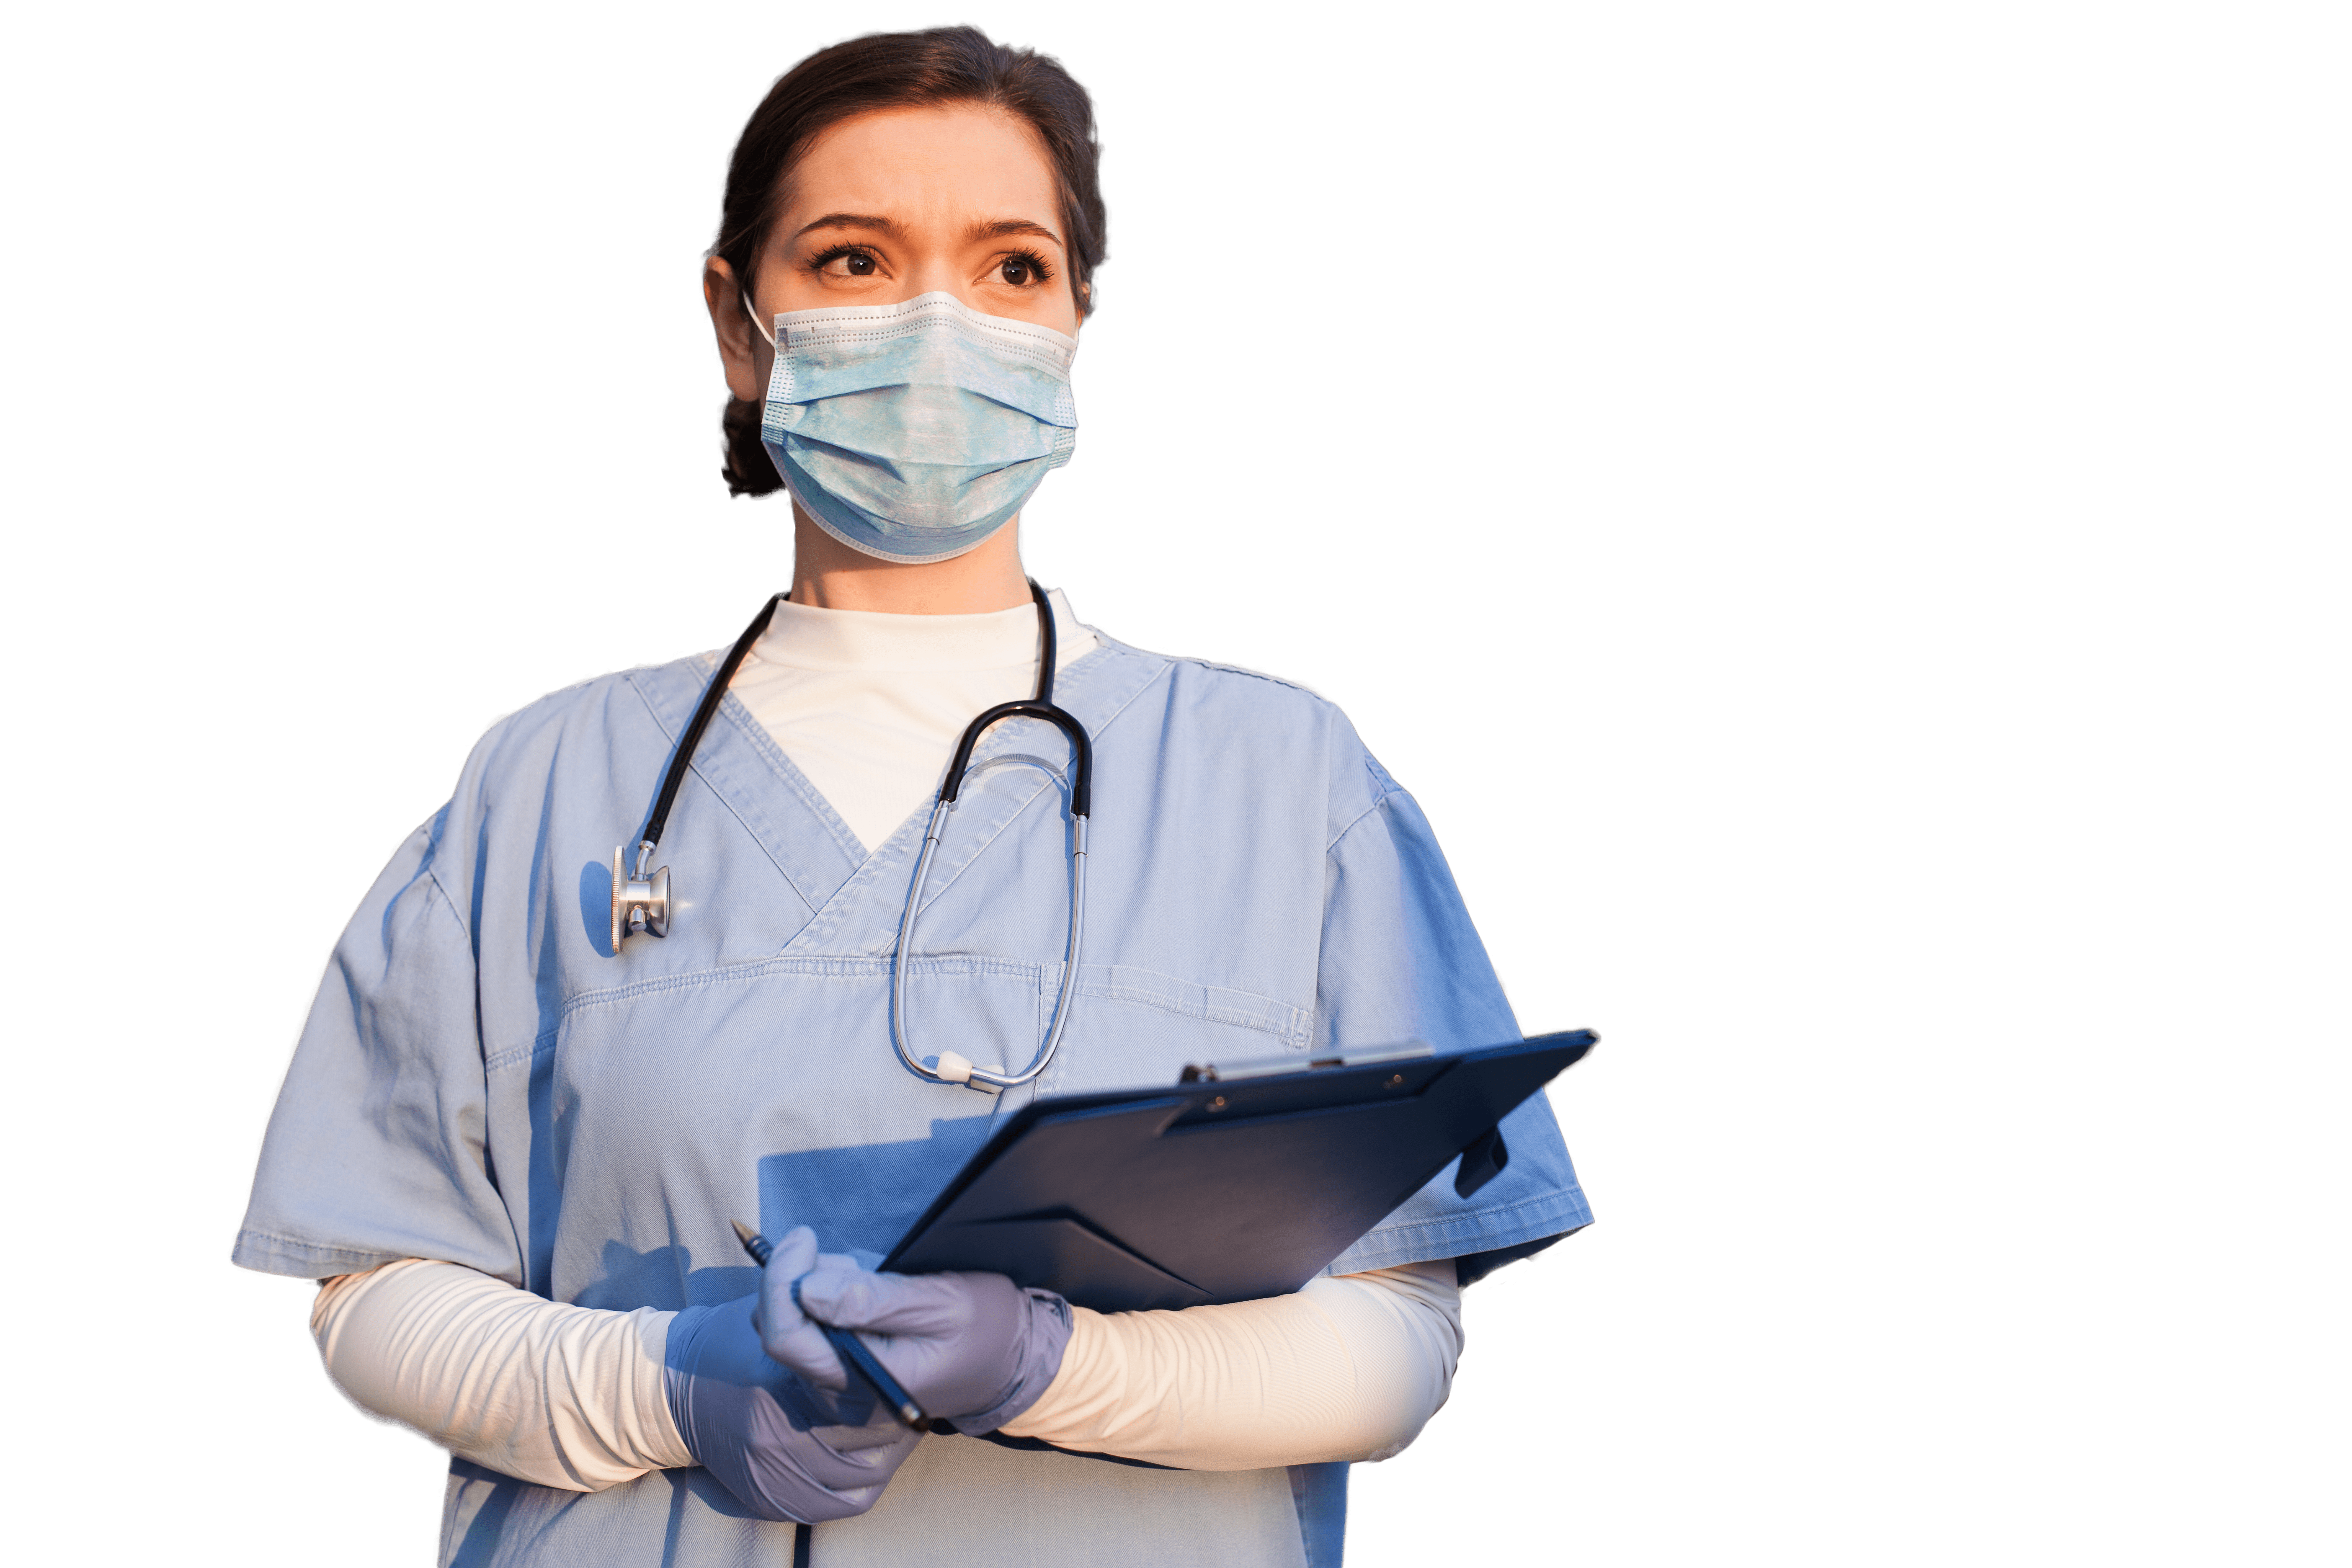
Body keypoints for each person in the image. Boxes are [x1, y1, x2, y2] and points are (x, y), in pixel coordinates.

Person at [235, 22, 1592, 1568]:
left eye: (1009, 268)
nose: (937, 323)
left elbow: (1395, 1343)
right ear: (743, 327)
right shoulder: (544, 785)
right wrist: (667, 1386)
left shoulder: (1286, 783)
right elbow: (376, 1290)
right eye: (856, 260)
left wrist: (1054, 1367)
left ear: (1077, 317)